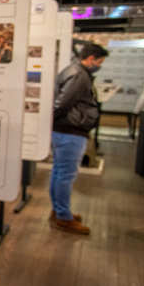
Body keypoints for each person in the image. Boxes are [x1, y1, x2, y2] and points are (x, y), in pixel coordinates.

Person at [49, 43, 108, 235]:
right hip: (70, 131)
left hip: (65, 130)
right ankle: (63, 216)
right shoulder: (79, 75)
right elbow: (62, 103)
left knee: (59, 172)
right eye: (99, 62)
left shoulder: (73, 70)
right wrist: (58, 122)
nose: (99, 65)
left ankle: (59, 210)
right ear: (90, 58)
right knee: (65, 175)